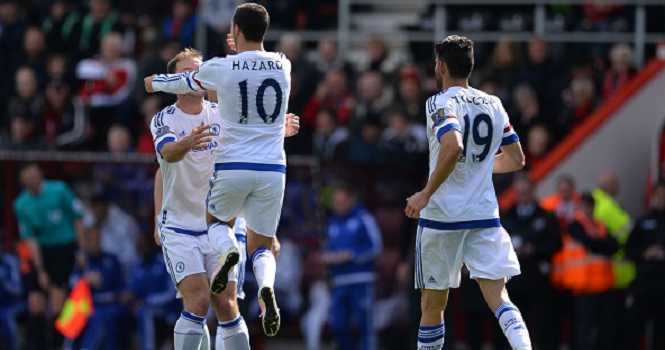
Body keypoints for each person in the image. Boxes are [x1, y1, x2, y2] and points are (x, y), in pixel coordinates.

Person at [145, 3, 295, 338]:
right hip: (181, 226)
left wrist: (277, 130)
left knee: (226, 302)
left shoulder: (223, 115)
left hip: (225, 221)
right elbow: (163, 162)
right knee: (197, 299)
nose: (193, 77)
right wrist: (186, 144)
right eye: (186, 72)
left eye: (196, 71)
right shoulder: (166, 119)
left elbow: (249, 132)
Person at [404, 35, 531, 350]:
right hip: (483, 215)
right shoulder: (494, 102)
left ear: (442, 66)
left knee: (433, 306)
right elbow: (517, 160)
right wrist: (478, 168)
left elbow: (453, 146)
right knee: (500, 299)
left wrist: (425, 194)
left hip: (441, 218)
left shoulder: (439, 101)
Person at [13, 163, 85, 350]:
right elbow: (31, 240)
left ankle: (58, 346)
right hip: (42, 251)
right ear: (23, 182)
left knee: (56, 301)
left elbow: (77, 218)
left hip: (63, 248)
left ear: (40, 175)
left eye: (34, 176)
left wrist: (81, 249)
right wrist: (40, 270)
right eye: (27, 178)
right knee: (35, 302)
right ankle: (36, 345)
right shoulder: (21, 204)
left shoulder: (60, 190)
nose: (32, 181)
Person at [501, 175, 562, 350]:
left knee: (543, 325)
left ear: (532, 191)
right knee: (514, 325)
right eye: (519, 192)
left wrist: (534, 249)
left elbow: (557, 243)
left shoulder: (546, 216)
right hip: (513, 282)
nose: (522, 195)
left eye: (525, 192)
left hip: (539, 280)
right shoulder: (506, 217)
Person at [323, 185, 382, 350]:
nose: (338, 206)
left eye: (341, 202)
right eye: (336, 203)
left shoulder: (364, 218)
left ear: (351, 200)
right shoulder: (333, 223)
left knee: (365, 325)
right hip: (339, 282)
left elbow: (376, 246)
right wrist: (328, 257)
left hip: (361, 280)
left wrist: (352, 255)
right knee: (338, 324)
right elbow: (328, 248)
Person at [564, 193, 618, 350]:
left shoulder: (600, 225)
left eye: (591, 205)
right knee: (584, 327)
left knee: (604, 327)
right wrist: (600, 244)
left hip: (603, 283)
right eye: (585, 205)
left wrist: (598, 244)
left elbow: (613, 247)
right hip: (584, 285)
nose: (588, 209)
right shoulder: (575, 226)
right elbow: (593, 243)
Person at [623, 181, 665, 350]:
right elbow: (628, 250)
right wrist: (645, 254)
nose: (662, 199)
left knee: (661, 332)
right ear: (653, 197)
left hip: (663, 283)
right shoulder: (642, 221)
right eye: (659, 195)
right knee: (633, 327)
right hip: (643, 281)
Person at [72, 226, 124, 350]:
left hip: (109, 305)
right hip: (84, 306)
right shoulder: (81, 263)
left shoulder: (111, 260)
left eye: (97, 239)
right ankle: (67, 346)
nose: (94, 243)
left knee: (100, 315)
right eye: (90, 239)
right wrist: (84, 277)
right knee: (75, 313)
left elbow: (116, 287)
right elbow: (73, 284)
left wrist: (96, 282)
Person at [125, 233, 180, 350]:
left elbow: (171, 294)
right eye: (138, 244)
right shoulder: (135, 265)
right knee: (120, 313)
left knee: (145, 313)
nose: (140, 246)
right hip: (142, 308)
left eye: (143, 243)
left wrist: (146, 301)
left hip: (167, 310)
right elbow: (132, 291)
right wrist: (129, 299)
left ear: (151, 244)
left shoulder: (165, 262)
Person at [0, 243, 24, 350]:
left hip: (16, 302)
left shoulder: (10, 262)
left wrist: (4, 280)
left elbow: (18, 290)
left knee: (6, 315)